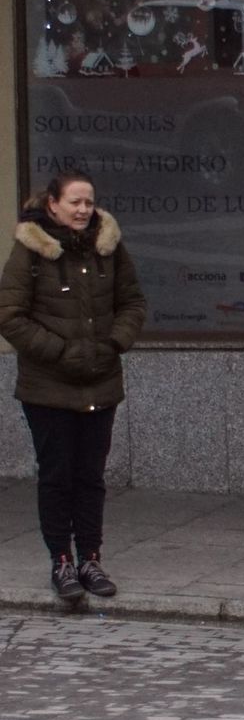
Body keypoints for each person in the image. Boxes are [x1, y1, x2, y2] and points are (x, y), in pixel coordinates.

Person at [0, 172, 146, 603]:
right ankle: (61, 561)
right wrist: (62, 352)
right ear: (53, 205)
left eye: (89, 202)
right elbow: (10, 316)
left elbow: (132, 303)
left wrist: (113, 342)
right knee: (57, 475)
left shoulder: (110, 247)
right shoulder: (30, 250)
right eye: (74, 202)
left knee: (91, 476)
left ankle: (91, 559)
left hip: (100, 383)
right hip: (48, 387)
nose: (83, 210)